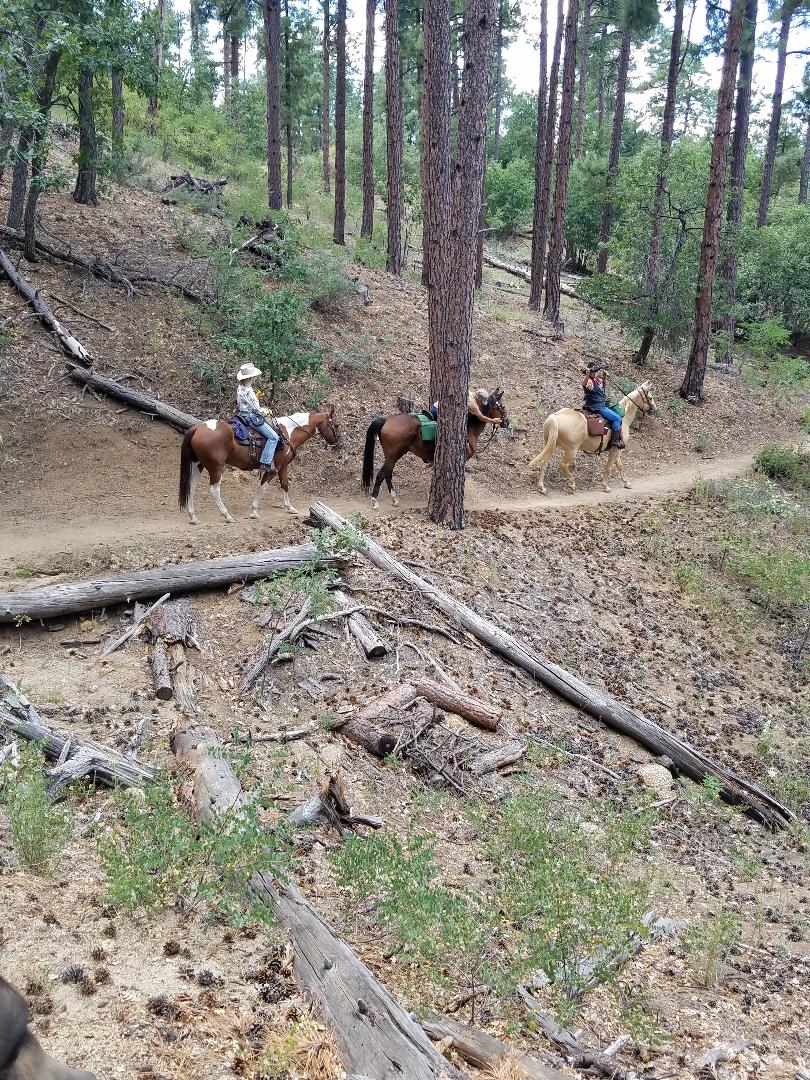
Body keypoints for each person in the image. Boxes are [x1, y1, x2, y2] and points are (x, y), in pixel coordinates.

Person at [235, 363, 280, 474]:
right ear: (250, 377)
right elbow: (256, 409)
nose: (255, 378)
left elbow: (247, 401)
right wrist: (266, 410)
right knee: (274, 437)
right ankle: (265, 462)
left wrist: (257, 396)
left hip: (243, 414)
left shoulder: (241, 387)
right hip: (251, 416)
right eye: (254, 376)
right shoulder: (248, 390)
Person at [582, 363, 625, 449]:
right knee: (617, 418)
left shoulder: (597, 380)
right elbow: (584, 385)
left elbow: (601, 389)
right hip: (597, 407)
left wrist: (605, 378)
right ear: (589, 372)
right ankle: (614, 441)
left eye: (595, 371)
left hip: (601, 404)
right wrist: (587, 376)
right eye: (592, 371)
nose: (594, 373)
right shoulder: (589, 381)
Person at [430, 388, 499, 424]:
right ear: (479, 399)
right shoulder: (472, 404)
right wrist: (493, 420)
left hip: (436, 407)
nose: (481, 404)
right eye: (481, 402)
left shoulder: (469, 392)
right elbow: (481, 418)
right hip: (439, 411)